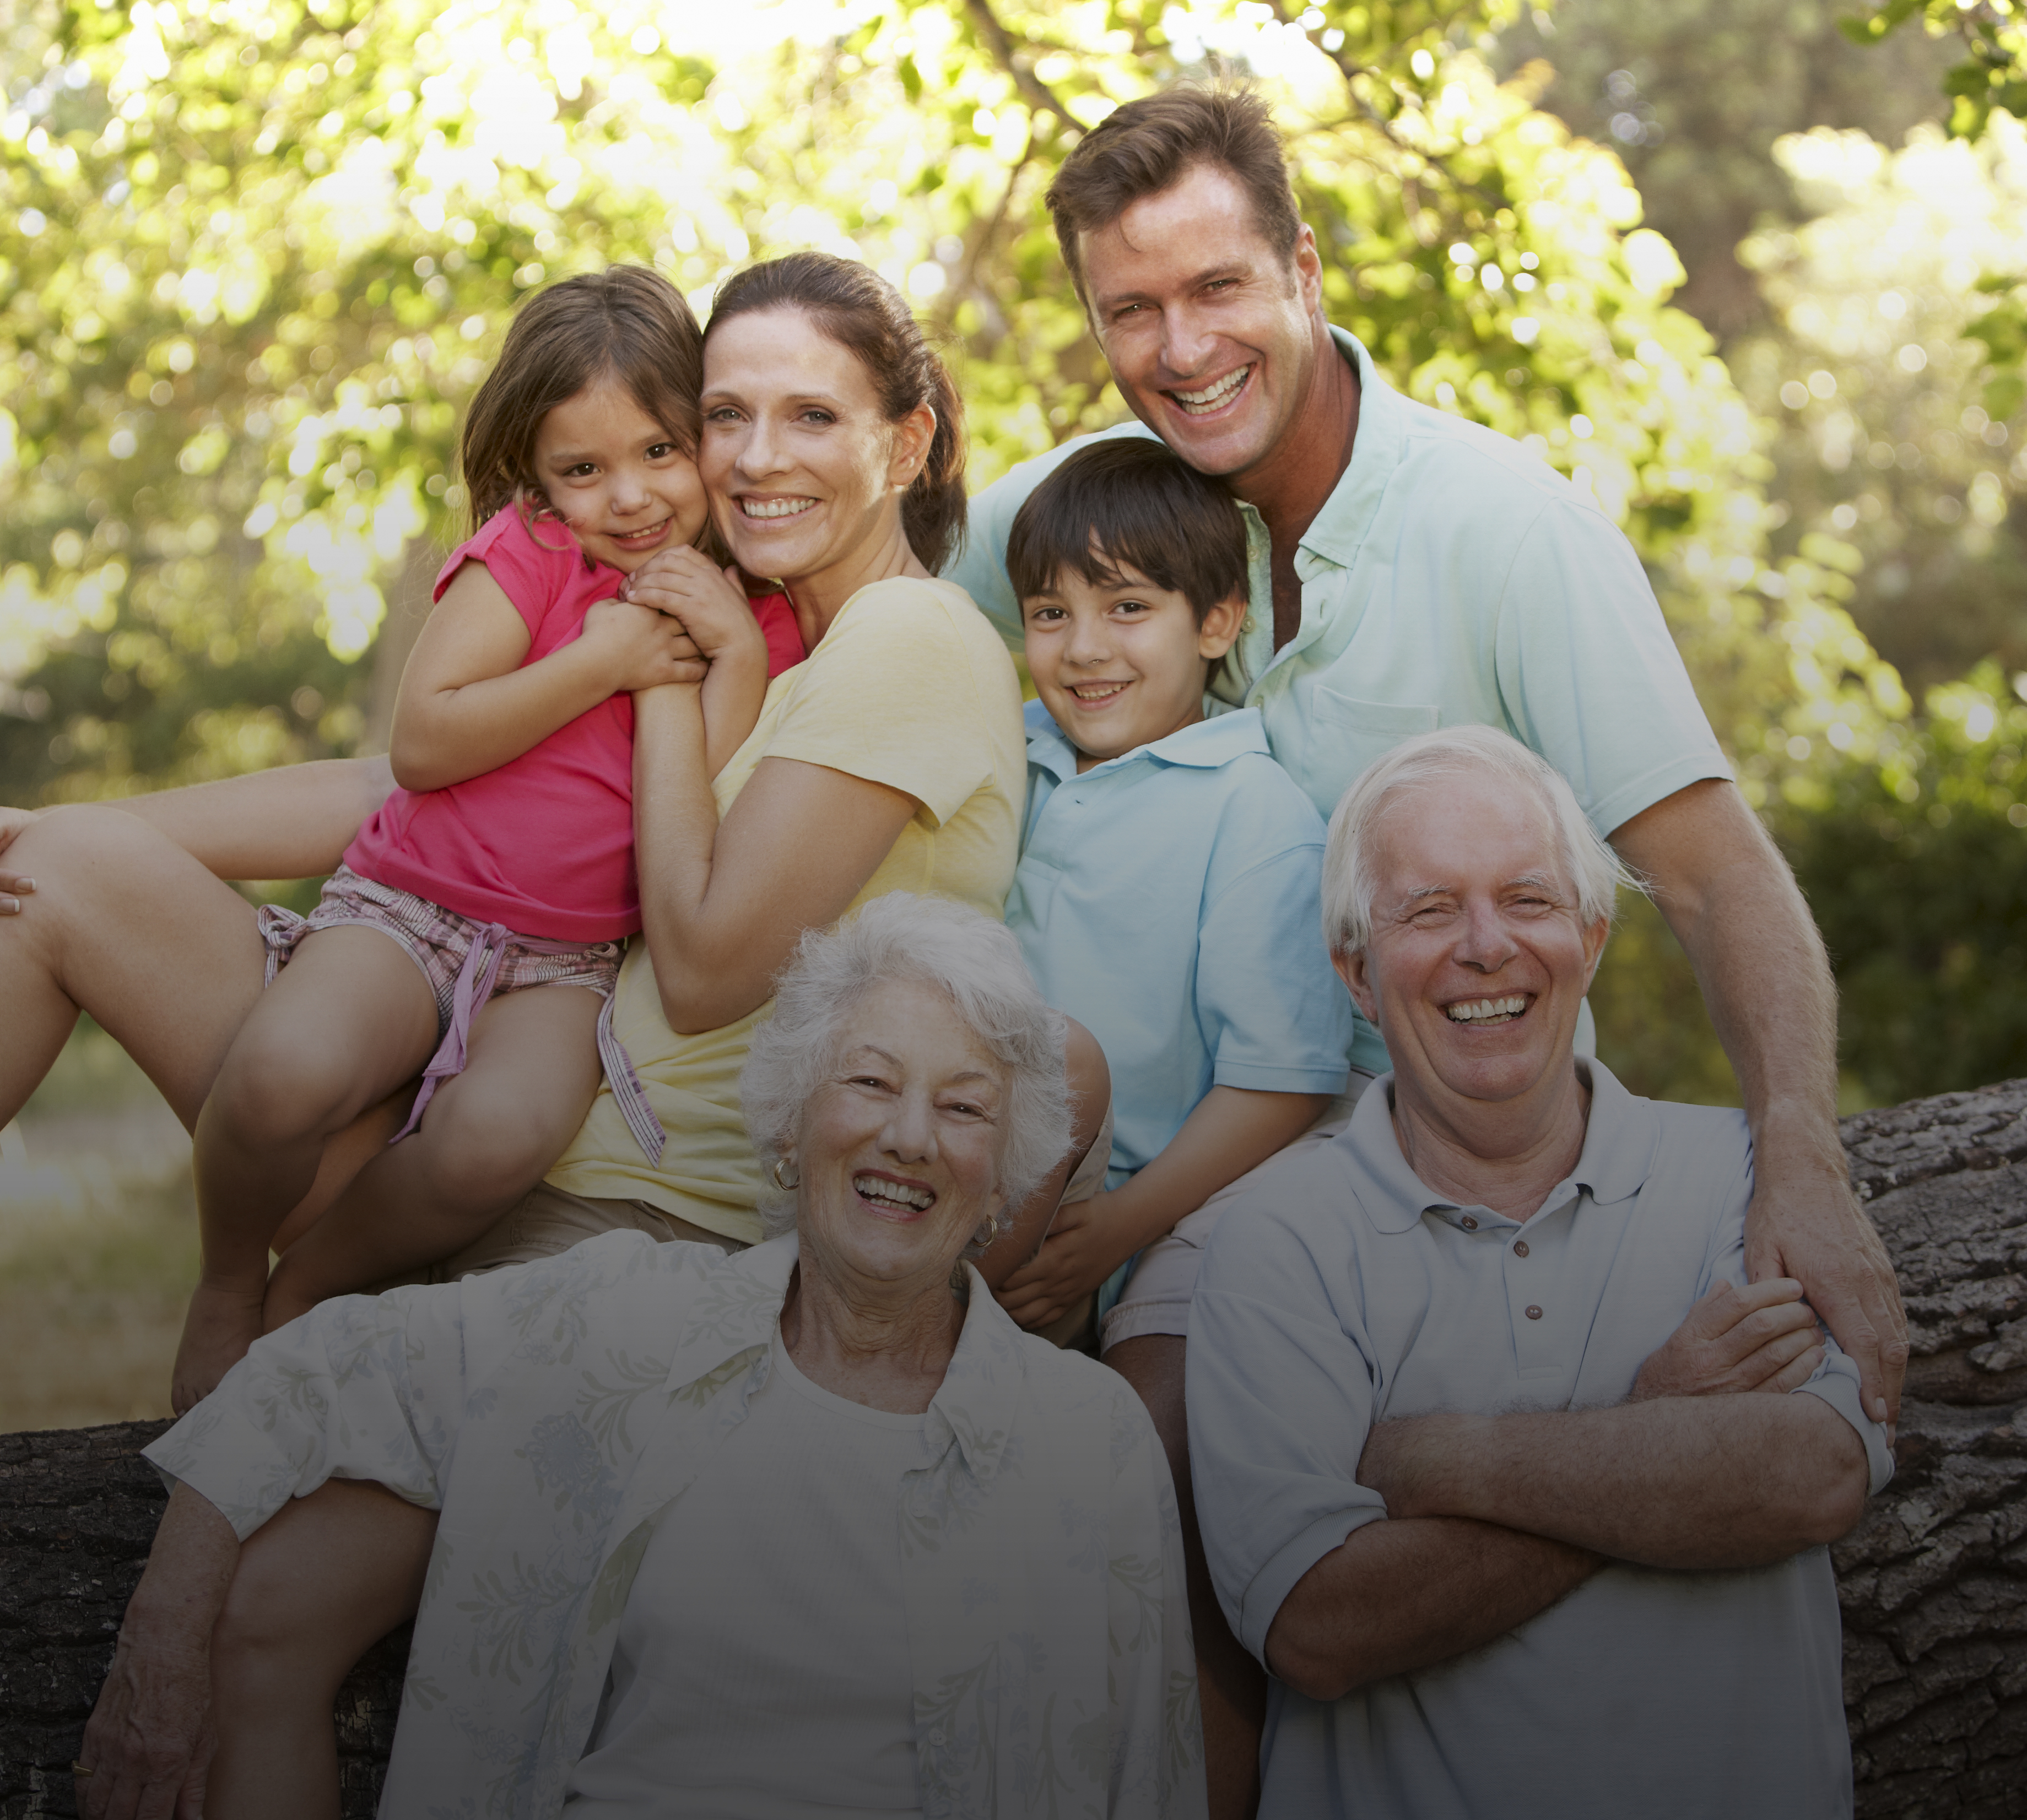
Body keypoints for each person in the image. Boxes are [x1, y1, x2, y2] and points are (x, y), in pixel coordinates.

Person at [941, 83, 1906, 1809]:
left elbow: (1713, 872)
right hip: (1174, 1176)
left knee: (1205, 1493)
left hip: (1459, 1183)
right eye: (1131, 311)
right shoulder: (1093, 527)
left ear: (1307, 270)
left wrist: (1806, 1159)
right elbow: (871, 626)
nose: (1182, 345)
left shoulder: (1502, 528)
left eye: (1220, 287)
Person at [76, 893, 1206, 1819]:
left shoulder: (1089, 1443)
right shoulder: (619, 1321)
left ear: (1004, 1170)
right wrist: (163, 1639)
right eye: (868, 1081)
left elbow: (1146, 1780)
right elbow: (307, 1372)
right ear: (787, 1119)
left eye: (962, 1107)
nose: (909, 1135)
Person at [1185, 727, 1894, 1818]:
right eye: (1428, 908)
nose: (1484, 946)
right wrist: (1660, 1416)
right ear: (1355, 973)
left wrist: (1437, 1457)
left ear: (1590, 937)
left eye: (1527, 898)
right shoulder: (1267, 1240)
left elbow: (1808, 1475)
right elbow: (1320, 1624)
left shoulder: (1743, 1181)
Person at [176, 266, 807, 1412]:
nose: (630, 495)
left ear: (709, 438)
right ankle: (227, 1276)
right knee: (283, 1073)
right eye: (584, 469)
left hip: (566, 964)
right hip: (411, 905)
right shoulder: (532, 556)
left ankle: (305, 1287)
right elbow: (423, 740)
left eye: (661, 451)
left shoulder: (760, 614)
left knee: (500, 1140)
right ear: (535, 474)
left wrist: (744, 658)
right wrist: (601, 662)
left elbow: (696, 807)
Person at [989, 437, 1355, 1349]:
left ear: (1217, 623)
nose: (1082, 649)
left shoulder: (1253, 810)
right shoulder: (1003, 752)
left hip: (1112, 1216)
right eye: (1049, 612)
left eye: (1127, 608)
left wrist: (1117, 1230)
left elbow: (1280, 1081)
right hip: (954, 1157)